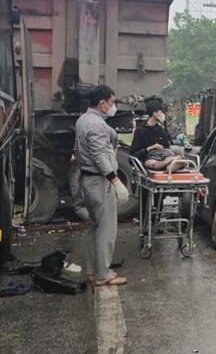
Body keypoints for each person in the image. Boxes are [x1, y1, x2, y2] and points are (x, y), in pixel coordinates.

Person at [75, 85, 130, 287]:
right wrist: (115, 180)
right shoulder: (97, 125)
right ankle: (103, 274)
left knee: (94, 227)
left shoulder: (83, 120)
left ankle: (93, 271)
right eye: (112, 102)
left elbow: (77, 150)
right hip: (100, 181)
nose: (113, 106)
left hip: (88, 180)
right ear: (102, 103)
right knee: (106, 229)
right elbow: (99, 155)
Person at [129, 100, 183, 172]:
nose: (163, 114)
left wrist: (162, 148)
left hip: (164, 155)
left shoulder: (161, 129)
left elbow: (166, 147)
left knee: (178, 158)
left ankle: (172, 163)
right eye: (161, 112)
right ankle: (169, 164)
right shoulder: (140, 131)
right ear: (154, 113)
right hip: (150, 157)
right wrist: (150, 148)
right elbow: (133, 154)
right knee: (153, 162)